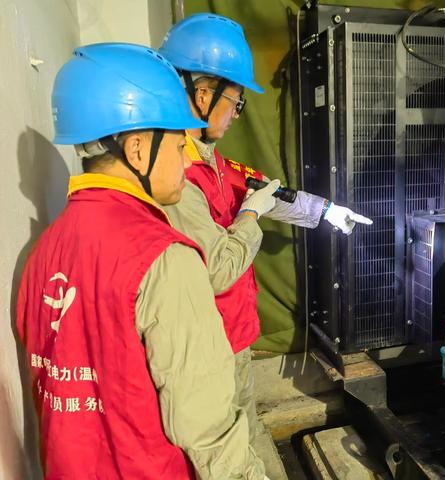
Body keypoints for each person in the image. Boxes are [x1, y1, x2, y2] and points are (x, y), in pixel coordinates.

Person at [16, 43, 270, 479]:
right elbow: (207, 427)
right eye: (178, 144)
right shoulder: (164, 258)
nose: (185, 159)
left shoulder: (42, 252)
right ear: (137, 150)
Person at [158, 12, 374, 445]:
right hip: (208, 349)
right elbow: (218, 269)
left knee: (245, 430)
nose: (237, 114)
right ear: (202, 93)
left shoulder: (215, 162)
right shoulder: (174, 176)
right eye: (235, 102)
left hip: (234, 336)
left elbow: (269, 193)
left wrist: (327, 211)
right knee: (225, 446)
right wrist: (251, 217)